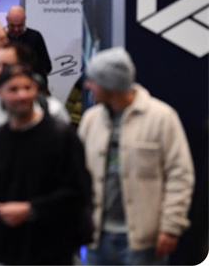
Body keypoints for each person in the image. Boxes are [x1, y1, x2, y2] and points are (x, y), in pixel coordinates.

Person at [77, 47, 195, 265]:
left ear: (111, 84)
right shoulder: (90, 120)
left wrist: (171, 226)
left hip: (144, 242)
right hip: (97, 239)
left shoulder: (162, 118)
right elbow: (76, 175)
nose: (87, 85)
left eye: (93, 80)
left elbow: (180, 175)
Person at [0, 63, 92, 265]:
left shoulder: (61, 137)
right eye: (14, 89)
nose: (22, 95)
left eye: (27, 88)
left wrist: (31, 210)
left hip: (52, 250)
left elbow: (78, 192)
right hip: (6, 251)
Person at [5, 5, 52, 80]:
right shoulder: (0, 37)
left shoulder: (35, 37)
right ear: (7, 20)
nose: (16, 29)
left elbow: (47, 66)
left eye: (20, 25)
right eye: (12, 26)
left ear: (24, 20)